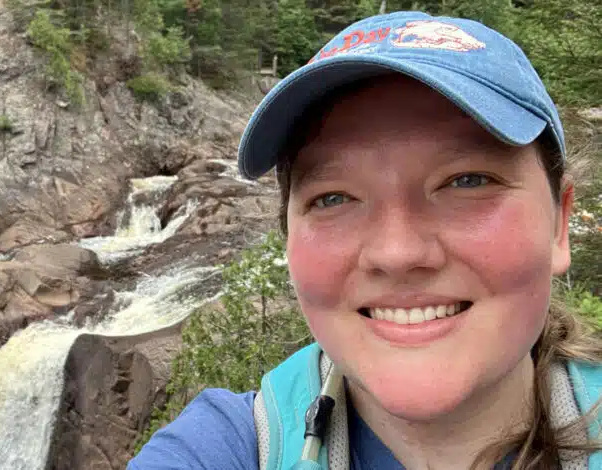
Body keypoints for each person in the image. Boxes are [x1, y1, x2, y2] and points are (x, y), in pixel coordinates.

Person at [128, 10, 602, 470]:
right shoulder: (222, 448)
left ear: (560, 224)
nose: (397, 253)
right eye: (334, 197)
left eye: (467, 181)